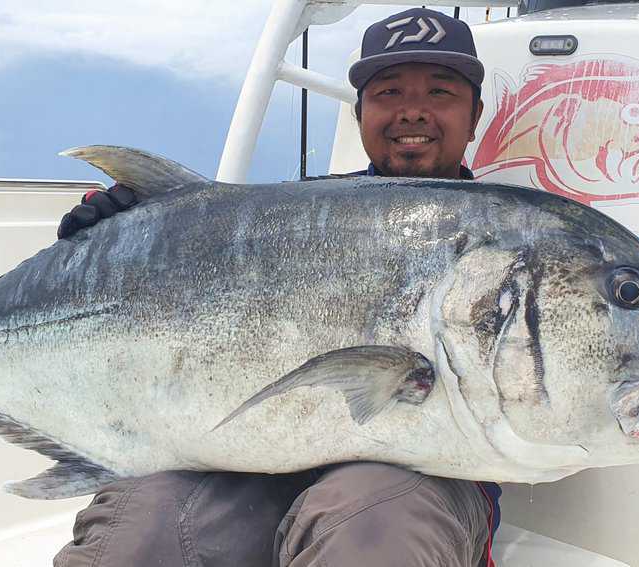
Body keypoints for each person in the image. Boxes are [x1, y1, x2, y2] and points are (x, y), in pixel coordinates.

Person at [53, 8, 499, 567]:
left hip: (420, 471)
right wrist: (120, 238)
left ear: (475, 113)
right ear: (360, 111)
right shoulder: (278, 215)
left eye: (440, 91)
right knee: (145, 528)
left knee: (372, 525)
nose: (413, 111)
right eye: (388, 92)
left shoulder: (512, 234)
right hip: (242, 454)